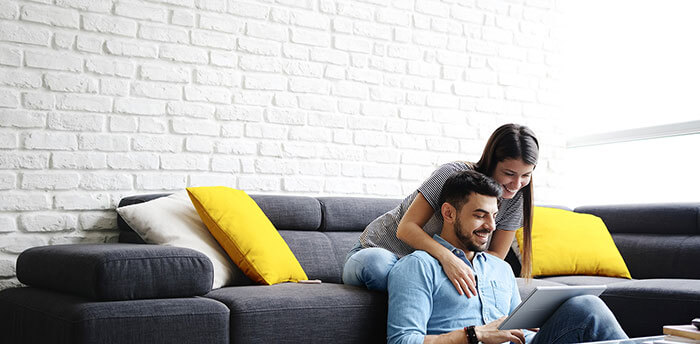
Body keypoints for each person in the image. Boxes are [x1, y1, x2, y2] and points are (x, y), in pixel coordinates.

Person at [387, 170, 628, 344]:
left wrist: (534, 328)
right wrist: (474, 334)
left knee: (584, 306)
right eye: (480, 215)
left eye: (494, 216)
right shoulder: (418, 266)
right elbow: (402, 341)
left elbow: (519, 332)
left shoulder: (498, 268)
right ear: (449, 213)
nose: (491, 226)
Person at [343, 123, 538, 295]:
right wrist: (448, 260)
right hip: (382, 252)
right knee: (379, 268)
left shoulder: (516, 199)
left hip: (428, 268)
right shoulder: (452, 174)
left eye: (526, 175)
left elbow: (495, 257)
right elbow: (406, 228)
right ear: (491, 161)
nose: (516, 184)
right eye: (509, 173)